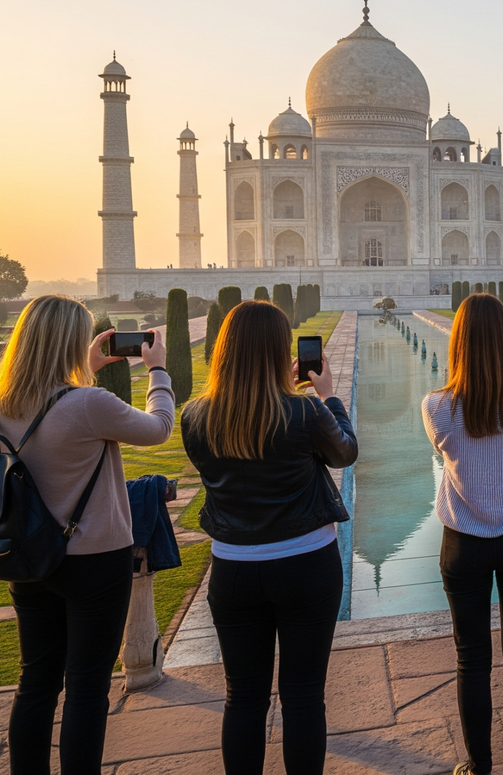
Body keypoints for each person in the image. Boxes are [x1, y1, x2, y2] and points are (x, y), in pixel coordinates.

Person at [0, 295, 175, 775]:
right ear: (70, 342)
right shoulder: (88, 403)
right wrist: (158, 371)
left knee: (37, 683)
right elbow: (159, 429)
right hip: (94, 558)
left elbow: (50, 419)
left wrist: (84, 368)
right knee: (87, 686)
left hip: (28, 554)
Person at [182, 300, 357, 775]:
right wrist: (329, 397)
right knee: (302, 698)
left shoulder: (196, 416)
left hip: (234, 570)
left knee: (243, 699)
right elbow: (345, 453)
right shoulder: (303, 412)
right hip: (305, 565)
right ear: (283, 352)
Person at [422, 294, 503, 775]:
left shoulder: (437, 407)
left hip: (463, 544)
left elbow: (447, 456)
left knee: (471, 658)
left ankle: (478, 765)